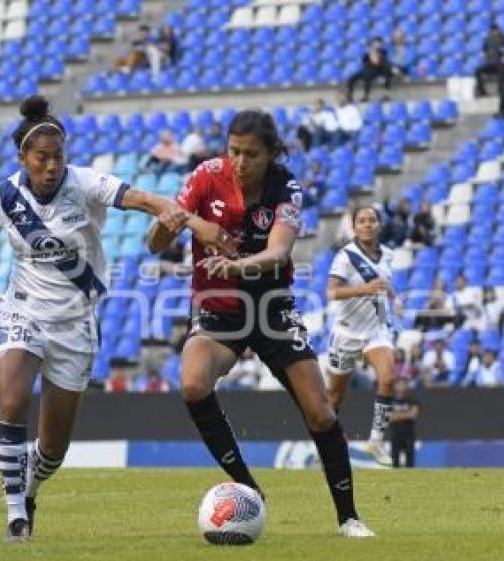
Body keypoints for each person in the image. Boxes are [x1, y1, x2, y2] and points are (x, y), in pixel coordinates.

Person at [0, 95, 227, 542]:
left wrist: (173, 212)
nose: (52, 166)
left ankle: (30, 491)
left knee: (52, 448)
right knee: (12, 401)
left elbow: (136, 197)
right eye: (42, 158)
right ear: (23, 158)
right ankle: (16, 515)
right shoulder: (4, 195)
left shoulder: (84, 182)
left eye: (58, 157)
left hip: (75, 322)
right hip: (22, 310)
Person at [146, 108, 374, 537]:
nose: (240, 162)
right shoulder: (204, 177)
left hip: (270, 306)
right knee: (193, 384)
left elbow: (279, 253)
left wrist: (237, 266)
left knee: (320, 413)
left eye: (251, 154)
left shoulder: (285, 187)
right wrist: (173, 223)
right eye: (234, 151)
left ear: (270, 153)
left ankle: (349, 517)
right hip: (218, 307)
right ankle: (247, 487)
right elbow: (155, 242)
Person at [326, 205, 398, 467]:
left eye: (372, 220)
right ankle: (328, 448)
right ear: (354, 227)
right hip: (345, 333)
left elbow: (385, 284)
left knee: (388, 378)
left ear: (379, 225)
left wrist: (394, 299)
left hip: (375, 332)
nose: (367, 225)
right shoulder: (345, 256)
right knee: (334, 398)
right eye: (362, 221)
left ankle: (376, 441)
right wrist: (363, 289)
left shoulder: (388, 255)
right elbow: (331, 292)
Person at [347, 37, 393, 102]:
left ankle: (366, 96)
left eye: (379, 43)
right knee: (351, 78)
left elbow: (380, 63)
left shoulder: (383, 52)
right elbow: (364, 61)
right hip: (367, 69)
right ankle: (349, 96)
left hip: (377, 70)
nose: (377, 44)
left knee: (367, 77)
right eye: (376, 43)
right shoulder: (368, 51)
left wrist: (376, 54)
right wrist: (369, 53)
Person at [474, 23, 504, 97]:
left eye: (495, 31)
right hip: (491, 64)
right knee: (478, 71)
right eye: (493, 31)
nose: (494, 33)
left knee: (503, 68)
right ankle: (483, 92)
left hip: (500, 63)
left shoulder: (503, 38)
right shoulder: (487, 39)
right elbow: (483, 51)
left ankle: (501, 91)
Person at [388, 378, 419, 468]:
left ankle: (410, 479)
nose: (403, 386)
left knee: (410, 460)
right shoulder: (390, 401)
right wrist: (406, 414)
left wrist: (396, 415)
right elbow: (388, 417)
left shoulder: (412, 400)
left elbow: (413, 414)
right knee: (394, 460)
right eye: (400, 384)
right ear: (395, 386)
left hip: (409, 434)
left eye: (404, 384)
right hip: (395, 434)